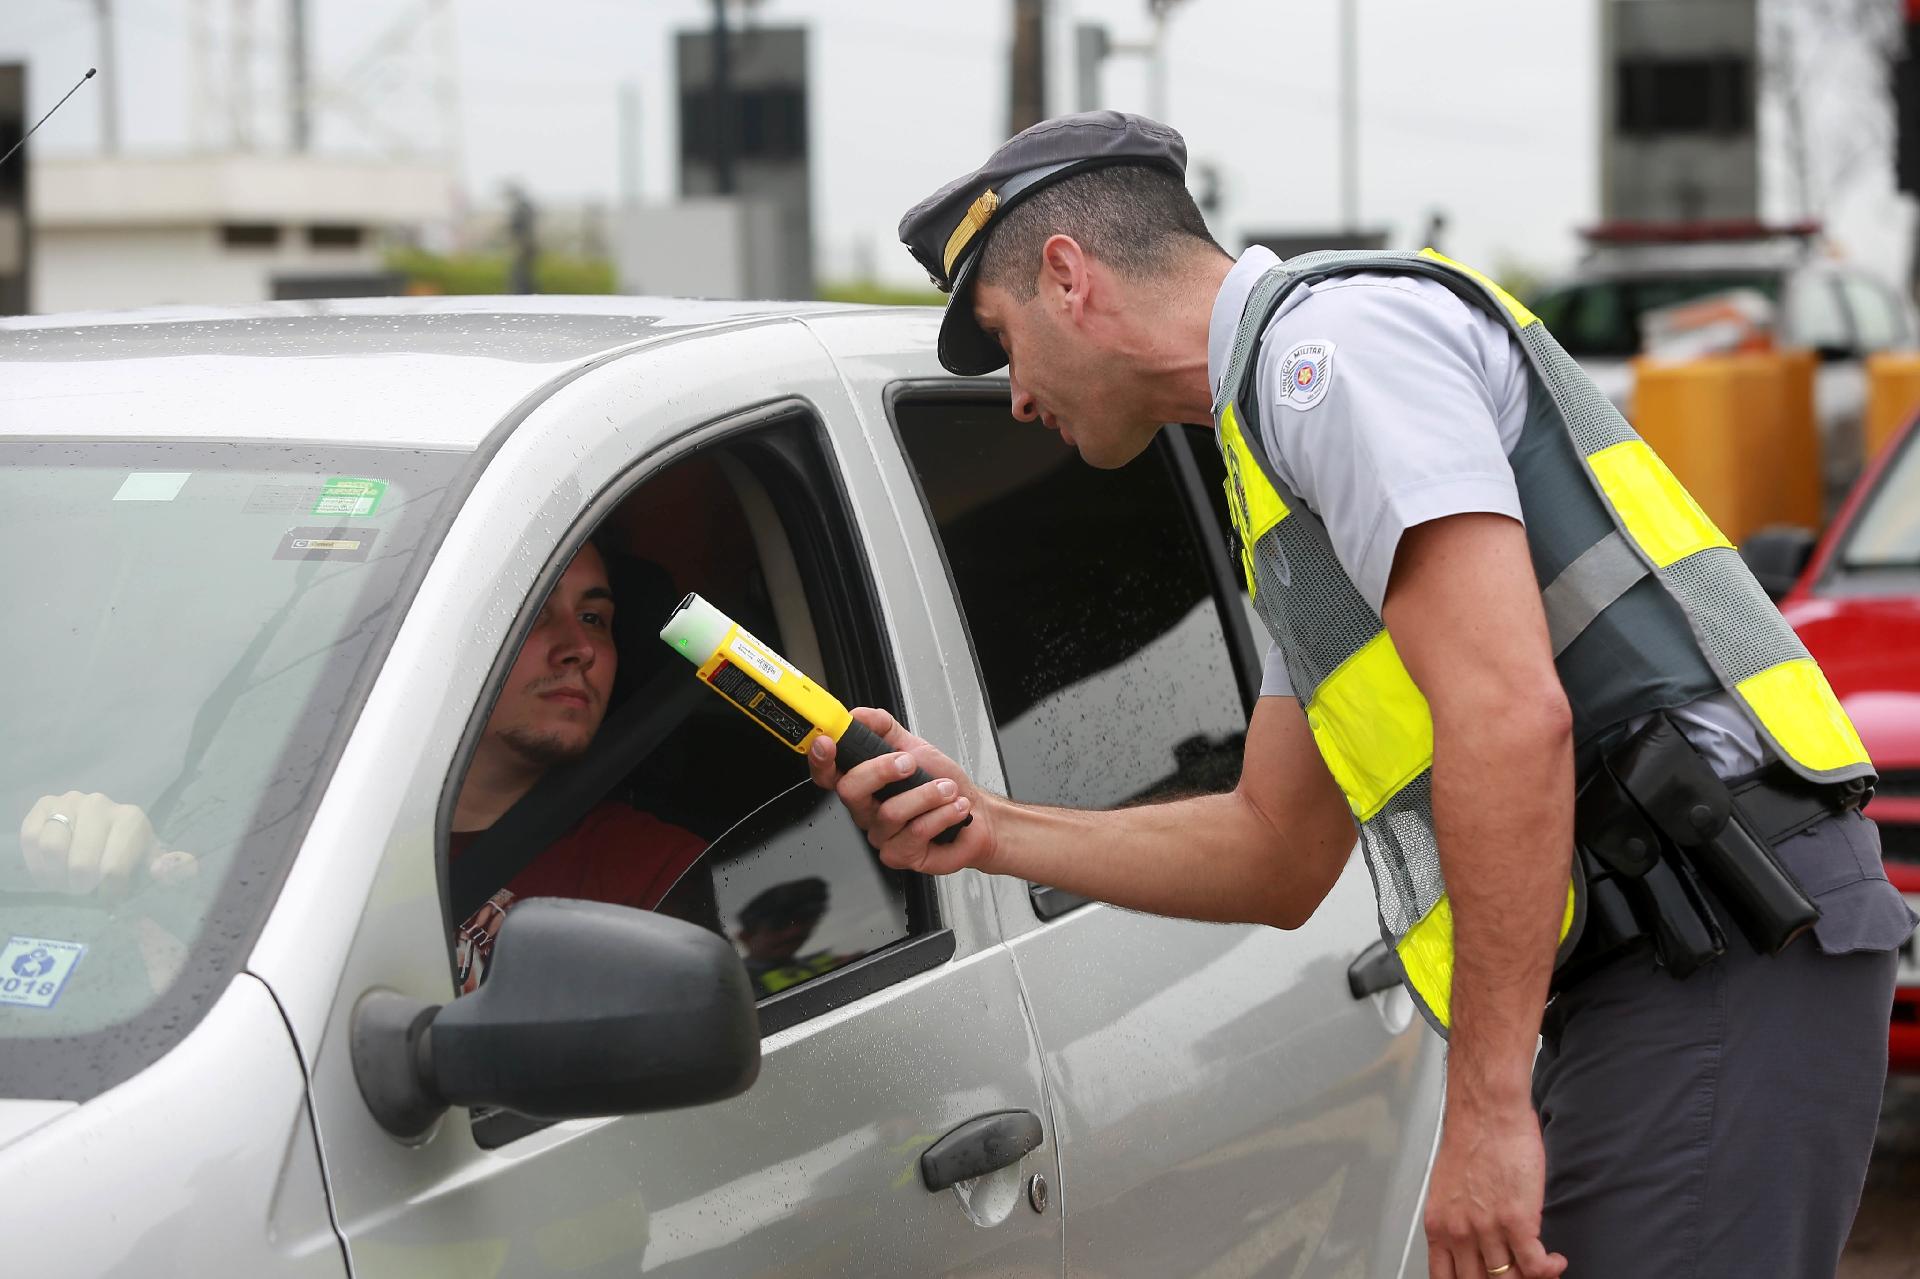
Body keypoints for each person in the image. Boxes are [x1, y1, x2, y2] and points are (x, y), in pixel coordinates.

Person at [811, 111, 1915, 1278]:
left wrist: (1488, 1115)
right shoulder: (1276, 476)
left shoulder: (1331, 355)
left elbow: (1507, 716)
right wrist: (989, 827)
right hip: (1673, 963)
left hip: (1719, 944)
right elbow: (1276, 850)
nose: (1018, 399)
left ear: (1069, 277)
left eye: (1002, 337)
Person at [19, 540, 706, 995]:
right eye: (534, 614)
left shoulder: (653, 872)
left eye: (595, 617)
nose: (578, 647)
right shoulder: (282, 843)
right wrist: (80, 857)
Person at [733, 876, 860, 998]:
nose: (793, 931)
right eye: (778, 924)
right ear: (744, 937)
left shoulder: (820, 964)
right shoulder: (736, 988)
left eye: (804, 920)